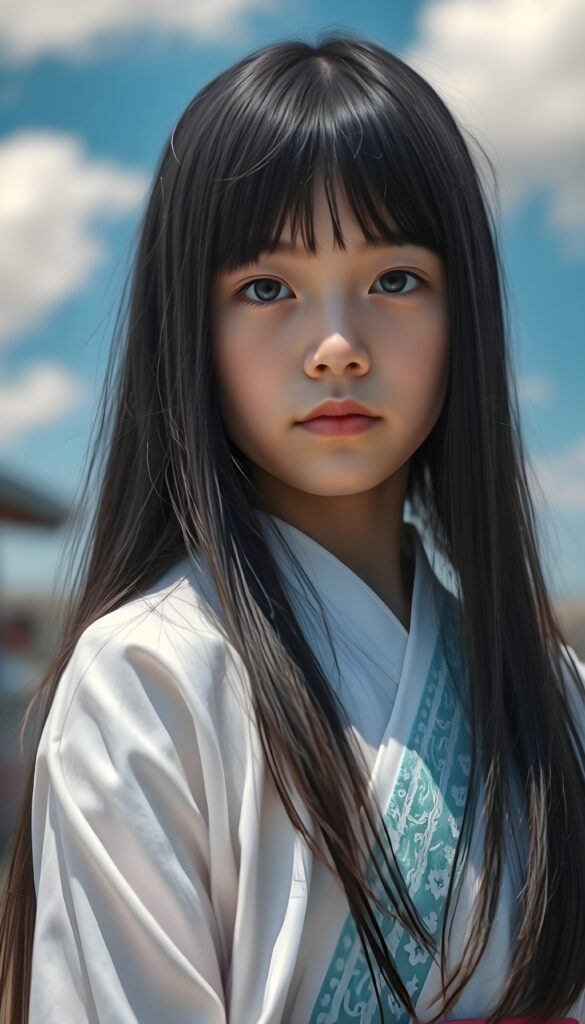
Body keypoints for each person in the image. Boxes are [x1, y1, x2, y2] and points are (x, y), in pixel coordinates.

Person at [1, 32, 584, 1024]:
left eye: (396, 279)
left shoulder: (557, 692)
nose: (337, 348)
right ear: (190, 332)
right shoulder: (146, 681)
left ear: (467, 316)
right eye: (265, 289)